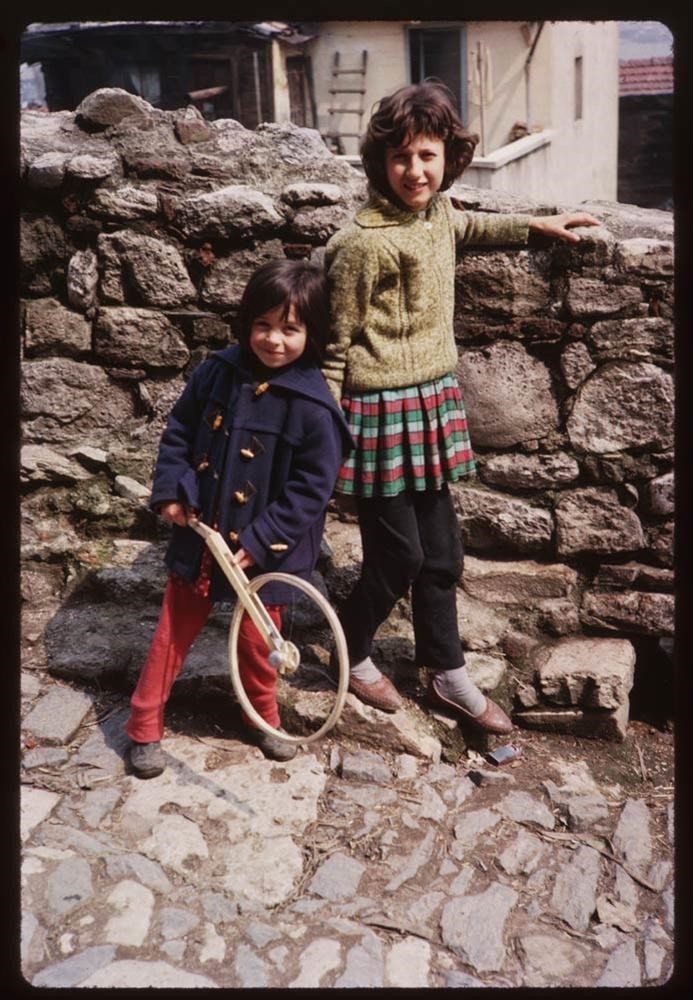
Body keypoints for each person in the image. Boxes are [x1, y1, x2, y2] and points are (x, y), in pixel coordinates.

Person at [322, 80, 599, 732]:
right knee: (399, 558)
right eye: (400, 158)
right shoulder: (360, 243)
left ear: (448, 156)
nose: (414, 171)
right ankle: (351, 648)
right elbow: (332, 347)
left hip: (431, 405)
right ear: (378, 162)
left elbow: (465, 225)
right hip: (378, 415)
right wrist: (323, 429)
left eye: (426, 156)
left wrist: (533, 225)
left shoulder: (435, 214)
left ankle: (443, 673)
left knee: (442, 555)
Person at [125, 259, 352, 777]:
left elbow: (313, 488)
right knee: (172, 632)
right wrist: (172, 494)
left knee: (259, 641)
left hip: (267, 553)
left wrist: (264, 535)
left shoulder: (315, 407)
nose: (273, 340)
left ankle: (262, 715)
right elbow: (180, 431)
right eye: (263, 325)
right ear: (247, 322)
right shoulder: (217, 373)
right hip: (202, 535)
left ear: (311, 333)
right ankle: (143, 723)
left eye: (290, 329)